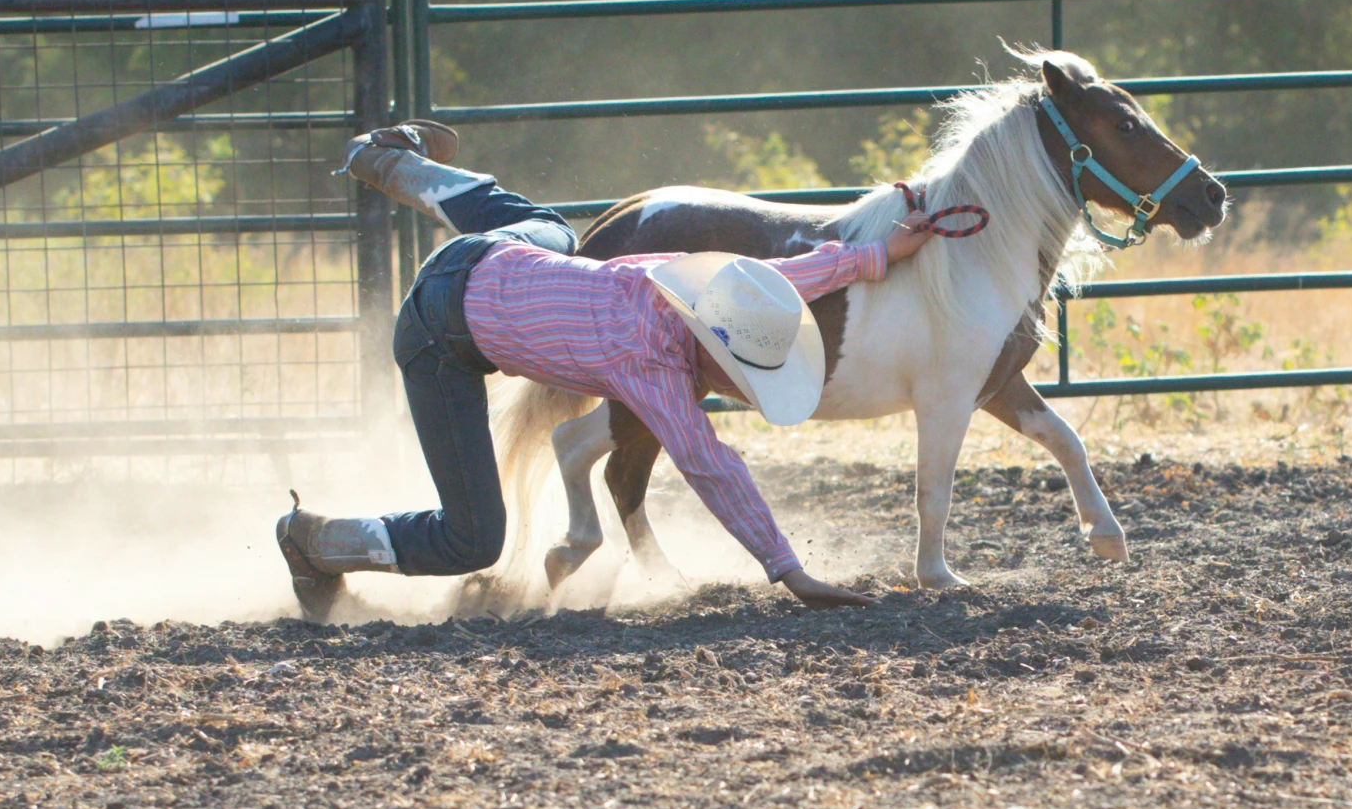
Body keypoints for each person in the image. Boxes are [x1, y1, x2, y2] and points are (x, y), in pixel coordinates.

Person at [277, 121, 932, 620]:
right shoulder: (652, 367)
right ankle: (316, 543)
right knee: (471, 539)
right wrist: (791, 572)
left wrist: (875, 254)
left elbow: (782, 277)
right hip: (436, 336)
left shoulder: (674, 281)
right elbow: (713, 465)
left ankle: (392, 160)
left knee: (554, 234)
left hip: (483, 258)